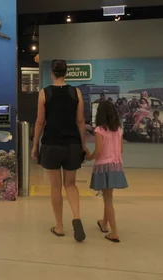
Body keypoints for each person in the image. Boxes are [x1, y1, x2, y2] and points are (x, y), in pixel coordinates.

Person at [32, 59, 88, 242]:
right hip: (72, 145)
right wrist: (83, 145)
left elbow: (40, 122)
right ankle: (77, 217)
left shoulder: (44, 93)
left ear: (51, 73)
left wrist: (35, 146)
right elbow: (80, 121)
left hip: (51, 145)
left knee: (55, 187)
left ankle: (59, 226)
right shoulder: (76, 92)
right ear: (67, 73)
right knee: (70, 185)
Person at [87, 100, 128, 243]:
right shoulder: (119, 130)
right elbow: (121, 150)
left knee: (108, 200)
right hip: (116, 166)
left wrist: (89, 157)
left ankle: (114, 232)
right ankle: (104, 223)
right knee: (108, 196)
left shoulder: (99, 130)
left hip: (103, 167)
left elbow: (98, 152)